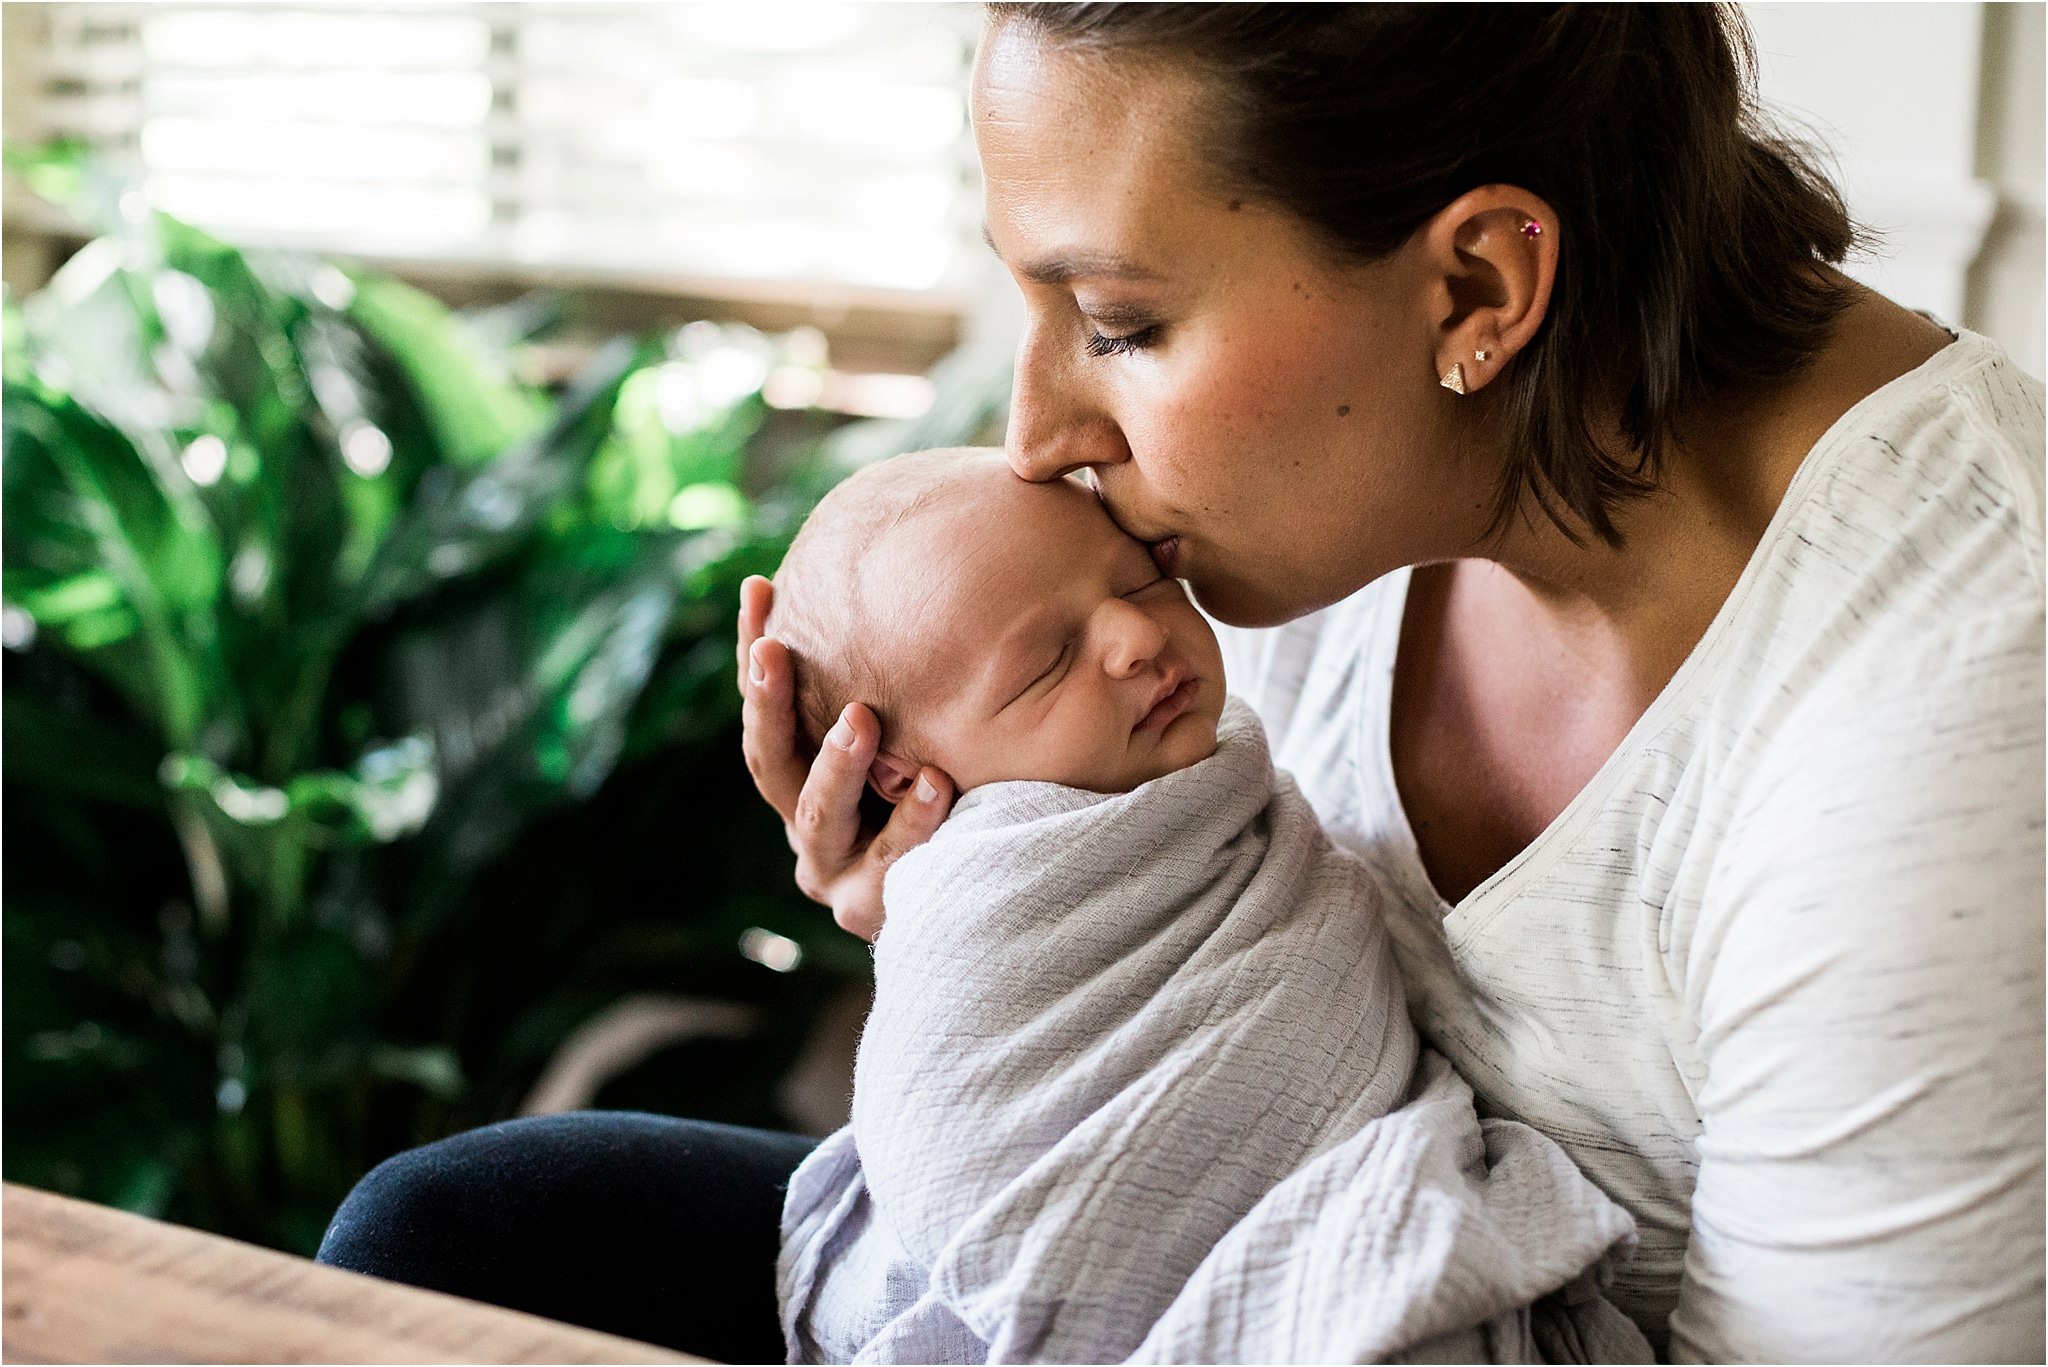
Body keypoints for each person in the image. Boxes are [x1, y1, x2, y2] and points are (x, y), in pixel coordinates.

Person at [323, 5, 2043, 1361]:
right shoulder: (1350, 471)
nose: (1035, 434)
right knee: (464, 1236)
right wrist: (986, 901)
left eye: (1122, 322)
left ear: (1478, 285)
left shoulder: (1940, 722)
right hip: (1218, 1258)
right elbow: (1186, 968)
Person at [765, 445, 1647, 1362]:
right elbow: (965, 1124)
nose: (1135, 637)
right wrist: (907, 909)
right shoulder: (988, 878)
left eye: (1143, 582)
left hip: (1344, 1206)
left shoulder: (1218, 749)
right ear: (905, 775)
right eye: (1048, 661)